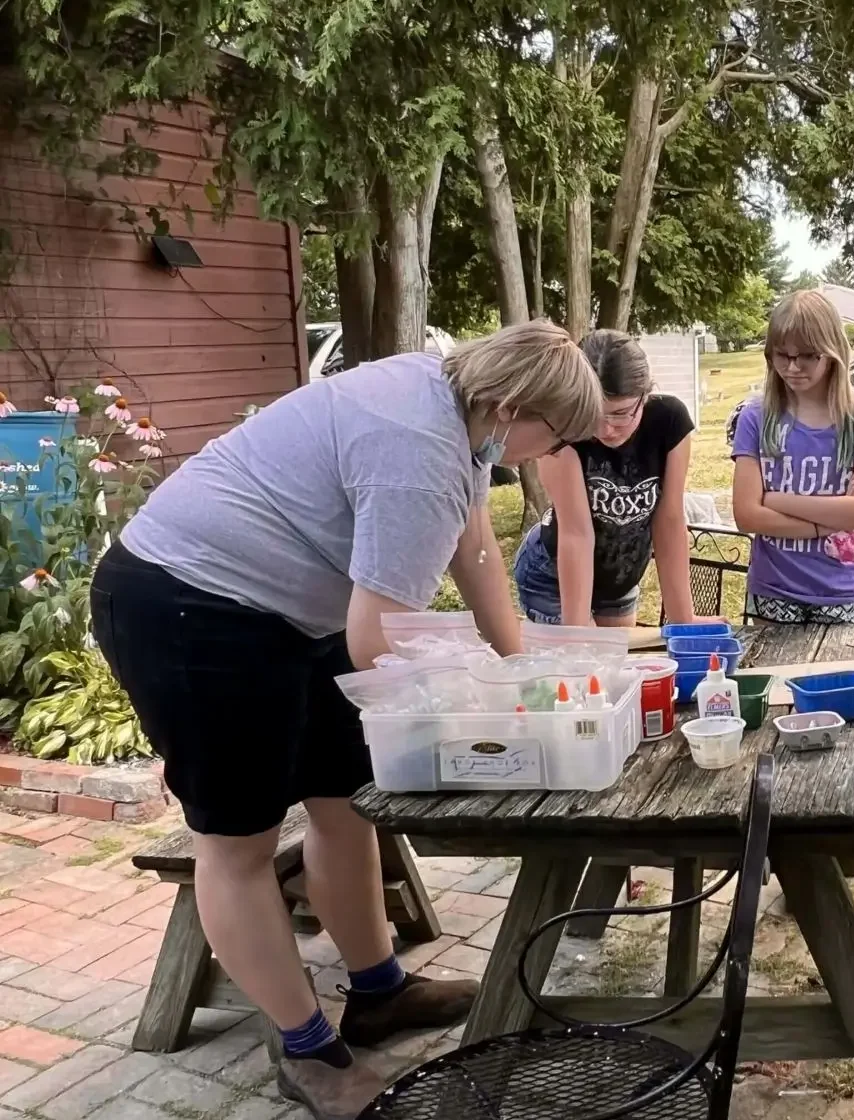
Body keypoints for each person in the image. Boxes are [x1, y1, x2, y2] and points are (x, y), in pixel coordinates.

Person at [89, 320, 602, 1120]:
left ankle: (379, 991)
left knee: (344, 802)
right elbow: (378, 644)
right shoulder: (419, 450)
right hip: (187, 605)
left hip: (291, 612)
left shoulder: (459, 409)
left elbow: (474, 548)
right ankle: (306, 1050)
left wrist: (521, 669)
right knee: (239, 843)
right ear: (510, 407)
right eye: (556, 437)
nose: (552, 454)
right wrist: (477, 718)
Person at [514, 329, 699, 626]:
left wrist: (684, 622)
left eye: (621, 413)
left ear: (645, 394)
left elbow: (670, 521)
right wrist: (576, 637)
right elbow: (576, 535)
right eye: (593, 413)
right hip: (554, 577)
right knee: (584, 653)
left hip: (619, 580)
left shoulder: (670, 421)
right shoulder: (562, 430)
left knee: (619, 655)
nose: (605, 429)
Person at [731, 290, 854, 624]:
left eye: (806, 356)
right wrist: (829, 520)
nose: (792, 366)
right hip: (771, 591)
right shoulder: (755, 416)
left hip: (841, 593)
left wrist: (774, 499)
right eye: (781, 355)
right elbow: (746, 515)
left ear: (832, 352)